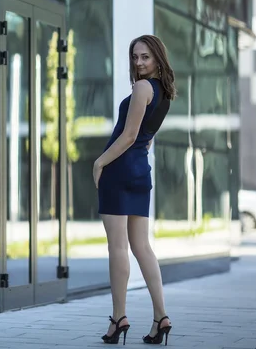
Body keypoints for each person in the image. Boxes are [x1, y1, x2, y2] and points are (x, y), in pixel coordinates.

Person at [94, 35, 176, 346]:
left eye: (145, 57)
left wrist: (99, 163)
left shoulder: (142, 88)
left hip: (119, 170)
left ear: (157, 58)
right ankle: (161, 316)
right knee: (142, 247)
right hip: (141, 171)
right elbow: (146, 137)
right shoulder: (164, 93)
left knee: (118, 247)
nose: (139, 63)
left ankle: (119, 318)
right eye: (135, 57)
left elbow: (128, 136)